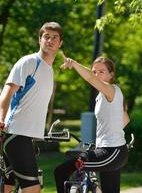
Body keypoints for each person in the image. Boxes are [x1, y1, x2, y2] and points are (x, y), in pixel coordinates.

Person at [0, 22, 63, 193]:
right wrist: (0, 119)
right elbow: (7, 92)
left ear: (60, 43)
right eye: (46, 37)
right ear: (39, 40)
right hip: (16, 133)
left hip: (25, 136)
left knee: (5, 187)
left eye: (54, 37)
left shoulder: (49, 70)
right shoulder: (30, 62)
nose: (50, 40)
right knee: (32, 189)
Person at [54, 55, 130, 193]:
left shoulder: (111, 89)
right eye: (94, 71)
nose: (97, 75)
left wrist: (74, 64)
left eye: (102, 71)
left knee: (61, 172)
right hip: (112, 150)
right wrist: (109, 135)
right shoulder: (102, 96)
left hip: (112, 151)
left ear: (111, 75)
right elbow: (125, 119)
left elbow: (90, 78)